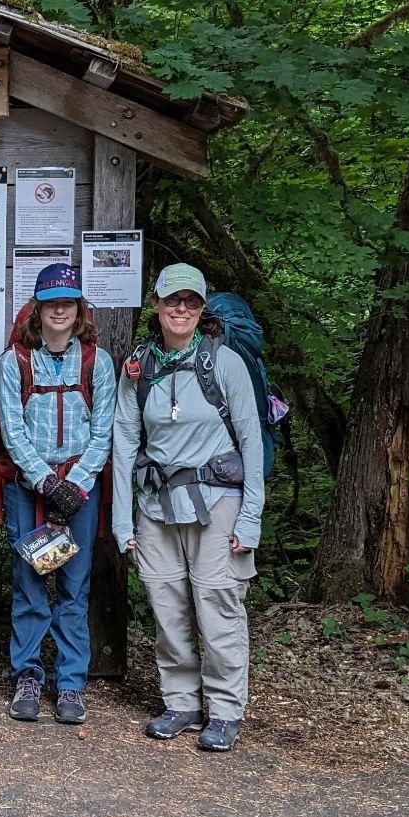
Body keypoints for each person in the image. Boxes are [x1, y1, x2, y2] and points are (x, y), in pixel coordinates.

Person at [112, 264, 265, 752]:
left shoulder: (225, 363)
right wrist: (121, 518)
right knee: (166, 605)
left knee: (218, 605)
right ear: (156, 304)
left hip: (218, 503)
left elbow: (251, 442)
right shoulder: (139, 366)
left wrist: (251, 518)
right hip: (156, 505)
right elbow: (124, 441)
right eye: (172, 300)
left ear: (202, 309)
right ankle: (181, 703)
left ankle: (224, 709)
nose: (181, 309)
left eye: (191, 301)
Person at [0, 263, 115, 725]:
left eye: (68, 303)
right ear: (38, 309)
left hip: (80, 490)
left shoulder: (97, 363)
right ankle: (27, 675)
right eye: (51, 303)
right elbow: (12, 430)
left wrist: (76, 484)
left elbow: (103, 431)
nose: (59, 311)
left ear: (79, 310)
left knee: (73, 587)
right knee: (30, 584)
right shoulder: (16, 362)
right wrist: (47, 482)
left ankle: (70, 683)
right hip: (30, 490)